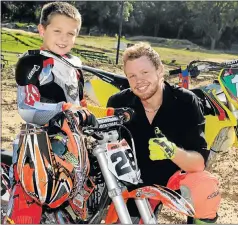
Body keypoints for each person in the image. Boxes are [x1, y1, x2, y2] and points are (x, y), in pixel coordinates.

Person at [5, 2, 107, 224]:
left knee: (78, 198)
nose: (64, 38)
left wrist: (106, 112)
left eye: (71, 33)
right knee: (28, 201)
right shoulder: (33, 62)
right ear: (42, 30)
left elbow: (80, 104)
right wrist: (64, 109)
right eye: (57, 31)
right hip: (36, 147)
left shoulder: (75, 64)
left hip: (70, 146)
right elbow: (27, 108)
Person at [107, 42, 221, 223]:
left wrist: (171, 151)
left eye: (145, 73)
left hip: (173, 181)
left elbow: (199, 163)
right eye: (132, 76)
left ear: (159, 70)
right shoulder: (118, 103)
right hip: (135, 185)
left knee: (205, 189)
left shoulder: (186, 102)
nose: (139, 81)